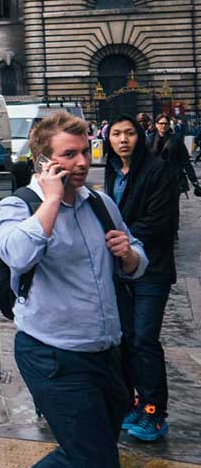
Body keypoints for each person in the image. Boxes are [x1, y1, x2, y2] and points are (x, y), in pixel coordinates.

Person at [0, 112, 147, 468]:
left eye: (84, 152)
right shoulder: (15, 206)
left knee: (87, 450)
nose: (81, 163)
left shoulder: (101, 204)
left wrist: (129, 255)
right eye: (69, 155)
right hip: (52, 356)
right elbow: (17, 255)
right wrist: (52, 200)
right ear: (46, 160)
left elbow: (136, 261)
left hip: (105, 353)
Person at [104, 114, 178, 443]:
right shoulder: (111, 172)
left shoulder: (158, 170)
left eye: (129, 133)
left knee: (144, 339)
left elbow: (161, 222)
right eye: (117, 134)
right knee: (125, 337)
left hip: (154, 268)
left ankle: (154, 412)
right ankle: (135, 402)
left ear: (140, 136)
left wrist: (122, 239)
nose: (123, 139)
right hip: (123, 269)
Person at [148, 113, 201, 198]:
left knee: (171, 207)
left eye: (166, 124)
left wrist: (194, 180)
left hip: (172, 180)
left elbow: (185, 161)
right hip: (155, 180)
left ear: (169, 125)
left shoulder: (176, 140)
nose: (163, 126)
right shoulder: (149, 140)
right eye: (161, 123)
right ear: (156, 124)